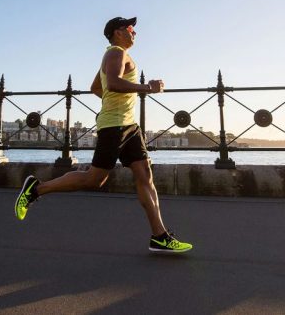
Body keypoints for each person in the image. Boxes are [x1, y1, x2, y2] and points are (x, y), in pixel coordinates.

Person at [14, 16, 193, 253]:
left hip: (129, 126)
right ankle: (36, 189)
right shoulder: (116, 53)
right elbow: (115, 83)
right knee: (94, 179)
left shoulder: (117, 55)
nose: (134, 33)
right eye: (130, 28)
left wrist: (114, 102)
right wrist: (147, 88)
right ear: (118, 32)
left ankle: (160, 236)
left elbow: (97, 88)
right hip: (115, 127)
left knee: (145, 175)